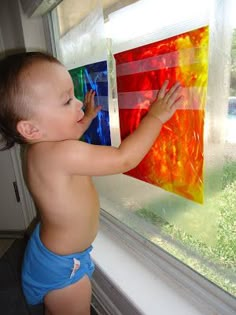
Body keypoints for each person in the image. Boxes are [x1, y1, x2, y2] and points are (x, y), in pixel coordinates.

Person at [0, 52, 183, 315]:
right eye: (66, 101)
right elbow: (123, 159)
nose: (77, 103)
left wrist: (84, 119)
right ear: (30, 129)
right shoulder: (62, 154)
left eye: (73, 95)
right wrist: (155, 118)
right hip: (65, 268)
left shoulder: (38, 150)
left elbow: (67, 135)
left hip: (50, 254)